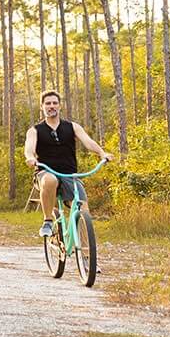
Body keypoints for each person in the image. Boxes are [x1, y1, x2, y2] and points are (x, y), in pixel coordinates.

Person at [23, 90, 112, 238]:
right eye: (48, 103)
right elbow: (29, 148)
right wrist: (30, 158)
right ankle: (48, 221)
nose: (51, 106)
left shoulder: (72, 127)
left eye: (55, 103)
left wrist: (102, 153)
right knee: (50, 180)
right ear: (42, 107)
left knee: (83, 210)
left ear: (60, 106)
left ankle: (85, 252)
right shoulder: (35, 130)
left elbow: (88, 142)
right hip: (45, 172)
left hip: (70, 174)